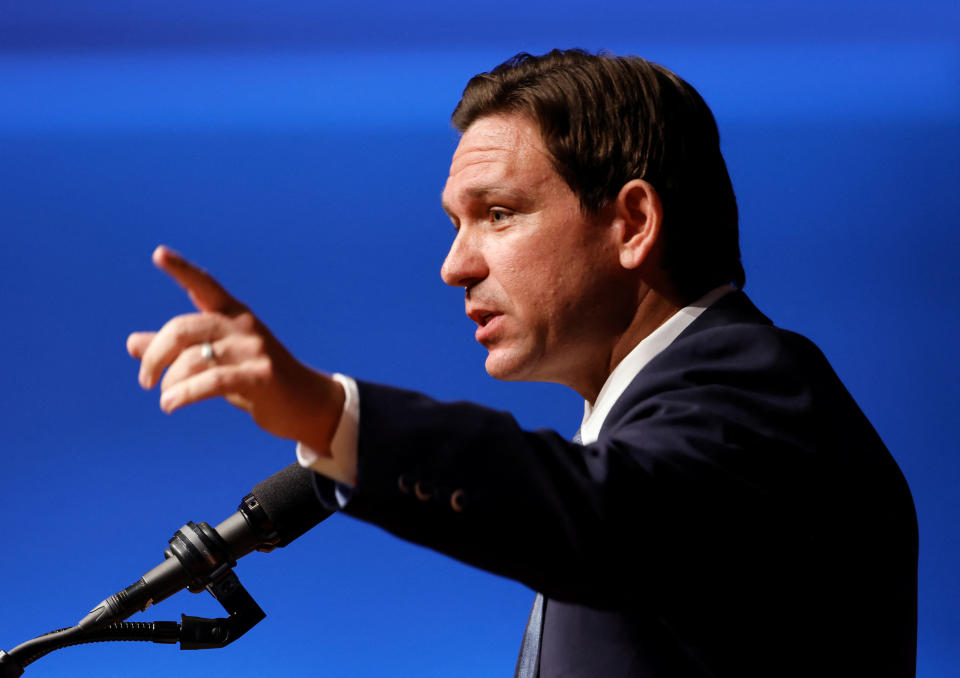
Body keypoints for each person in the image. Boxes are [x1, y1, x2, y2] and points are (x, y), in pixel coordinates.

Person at [127, 50, 918, 677]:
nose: (453, 266)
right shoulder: (659, 418)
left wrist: (331, 416)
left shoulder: (761, 393)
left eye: (498, 215)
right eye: (455, 223)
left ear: (633, 223)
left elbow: (602, 514)